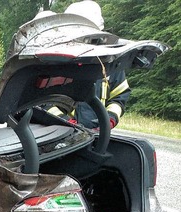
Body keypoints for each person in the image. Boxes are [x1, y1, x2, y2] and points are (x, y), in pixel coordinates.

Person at [47, 1, 130, 130]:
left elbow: (120, 96)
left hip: (99, 136)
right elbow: (42, 101)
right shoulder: (57, 62)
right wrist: (65, 122)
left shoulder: (109, 62)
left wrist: (109, 120)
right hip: (60, 133)